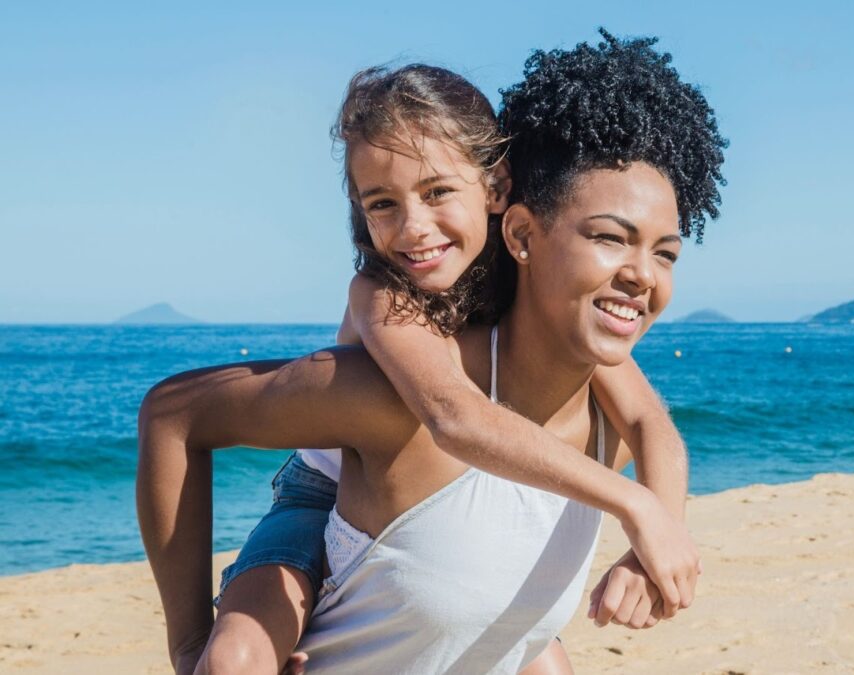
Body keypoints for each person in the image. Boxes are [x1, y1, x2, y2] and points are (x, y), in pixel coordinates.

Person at [138, 29, 725, 673]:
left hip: (435, 531)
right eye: (383, 205)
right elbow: (454, 415)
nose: (414, 228)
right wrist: (632, 502)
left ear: (496, 188)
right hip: (314, 498)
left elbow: (651, 426)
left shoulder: (527, 288)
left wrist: (659, 529)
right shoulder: (386, 297)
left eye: (439, 192)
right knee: (234, 660)